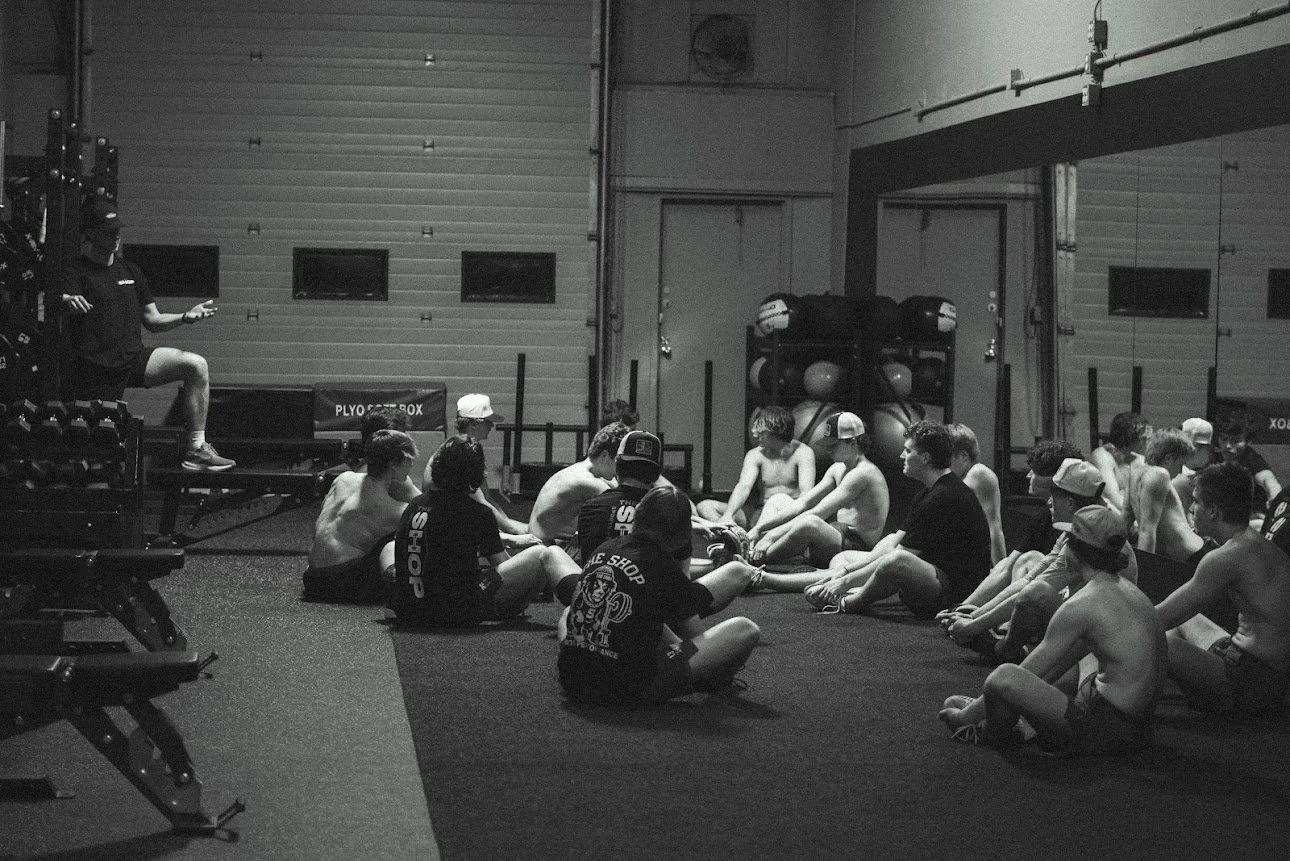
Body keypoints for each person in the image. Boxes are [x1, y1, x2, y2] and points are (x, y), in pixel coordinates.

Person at [938, 505, 1165, 755]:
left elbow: (1027, 671)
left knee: (1002, 677)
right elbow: (1059, 666)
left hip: (1105, 732)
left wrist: (966, 715)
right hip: (1141, 729)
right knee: (1066, 668)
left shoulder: (1083, 604)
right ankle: (1001, 716)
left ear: (1073, 548)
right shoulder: (1133, 594)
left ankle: (988, 731)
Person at [59, 197, 234, 471]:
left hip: (131, 360)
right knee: (100, 460)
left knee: (195, 365)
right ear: (90, 234)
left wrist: (185, 317)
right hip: (95, 371)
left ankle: (197, 450)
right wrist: (67, 300)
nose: (116, 235)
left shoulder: (130, 271)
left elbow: (152, 320)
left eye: (118, 229)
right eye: (109, 231)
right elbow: (61, 298)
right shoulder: (75, 271)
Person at [557, 485, 761, 706]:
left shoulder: (606, 547)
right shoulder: (665, 569)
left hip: (572, 680)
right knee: (745, 629)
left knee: (571, 611)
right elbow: (696, 641)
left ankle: (583, 657)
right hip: (626, 689)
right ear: (682, 536)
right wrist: (708, 658)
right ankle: (714, 683)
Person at [944, 459, 1138, 664]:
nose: (1049, 502)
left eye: (1054, 496)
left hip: (1100, 639)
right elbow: (1030, 578)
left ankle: (1005, 650)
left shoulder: (1086, 541)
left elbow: (1034, 589)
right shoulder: (1077, 532)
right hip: (1089, 621)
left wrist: (973, 627)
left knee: (1037, 594)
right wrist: (975, 616)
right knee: (1031, 566)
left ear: (1071, 503)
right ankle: (1011, 641)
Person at [804, 420, 992, 616]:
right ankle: (836, 584)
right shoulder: (929, 492)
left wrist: (844, 582)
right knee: (854, 556)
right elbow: (894, 543)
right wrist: (844, 573)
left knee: (898, 561)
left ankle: (849, 602)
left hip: (956, 594)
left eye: (908, 451)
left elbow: (898, 556)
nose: (901, 456)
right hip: (934, 575)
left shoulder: (943, 496)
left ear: (926, 458)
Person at [390, 436, 581, 627]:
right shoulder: (477, 513)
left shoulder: (415, 505)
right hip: (454, 613)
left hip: (409, 609)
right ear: (476, 473)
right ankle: (527, 608)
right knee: (541, 555)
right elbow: (503, 565)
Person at [1155, 462, 1290, 716]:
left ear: (1214, 511)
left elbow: (1160, 618)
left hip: (1252, 686)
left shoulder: (1228, 557)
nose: (1192, 509)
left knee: (1154, 640)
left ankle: (1127, 708)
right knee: (1186, 623)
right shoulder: (1255, 543)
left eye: (1196, 502)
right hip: (1265, 675)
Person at [744, 412, 888, 578]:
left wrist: (770, 537)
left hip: (856, 546)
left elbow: (819, 512)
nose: (827, 449)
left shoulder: (863, 473)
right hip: (837, 534)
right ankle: (750, 546)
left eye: (833, 445)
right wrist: (758, 529)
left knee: (810, 522)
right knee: (779, 500)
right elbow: (803, 504)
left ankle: (751, 560)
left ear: (853, 442)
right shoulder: (838, 468)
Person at [303, 429, 419, 603]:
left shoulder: (343, 479)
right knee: (398, 541)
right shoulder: (390, 509)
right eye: (409, 459)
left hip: (311, 578)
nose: (411, 465)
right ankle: (401, 597)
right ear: (394, 463)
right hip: (339, 584)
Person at [436, 393, 537, 549]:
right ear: (474, 424)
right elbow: (481, 504)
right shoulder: (460, 455)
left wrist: (512, 526)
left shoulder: (466, 450)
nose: (492, 426)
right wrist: (513, 531)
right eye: (488, 421)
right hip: (450, 535)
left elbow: (487, 498)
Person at [695, 406, 815, 532]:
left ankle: (753, 538)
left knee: (777, 500)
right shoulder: (755, 455)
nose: (755, 434)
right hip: (759, 513)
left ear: (776, 431)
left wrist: (790, 518)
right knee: (705, 506)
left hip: (789, 515)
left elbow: (806, 494)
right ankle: (734, 535)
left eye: (762, 432)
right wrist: (727, 516)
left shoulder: (803, 453)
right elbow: (744, 487)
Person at [527, 421, 631, 555]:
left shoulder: (582, 471)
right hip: (545, 549)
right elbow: (626, 500)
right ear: (605, 456)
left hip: (551, 545)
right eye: (618, 462)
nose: (619, 470)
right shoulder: (586, 481)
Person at [1122, 427, 1208, 564]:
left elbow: (1125, 518)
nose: (1180, 472)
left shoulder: (1134, 472)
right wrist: (1143, 573)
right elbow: (1146, 530)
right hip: (1190, 557)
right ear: (1168, 458)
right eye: (1180, 464)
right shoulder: (1159, 474)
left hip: (1186, 557)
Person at [947, 423, 1008, 565]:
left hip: (971, 562)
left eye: (947, 458)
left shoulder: (979, 473)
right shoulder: (957, 478)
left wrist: (1000, 572)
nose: (944, 463)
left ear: (963, 456)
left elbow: (994, 527)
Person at [1215, 410, 1283, 520]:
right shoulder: (1214, 457)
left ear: (1248, 442)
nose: (1227, 445)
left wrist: (1274, 497)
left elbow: (1268, 479)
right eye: (1223, 439)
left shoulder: (1251, 459)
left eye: (1235, 441)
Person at [1088, 412, 1151, 514]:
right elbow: (1113, 497)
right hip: (1109, 514)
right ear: (1130, 436)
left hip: (1132, 513)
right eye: (1143, 438)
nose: (1148, 441)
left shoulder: (1138, 459)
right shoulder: (1102, 456)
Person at [1173, 417, 1216, 523]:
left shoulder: (1172, 468)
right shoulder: (1182, 479)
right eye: (1208, 448)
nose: (1210, 452)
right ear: (1195, 447)